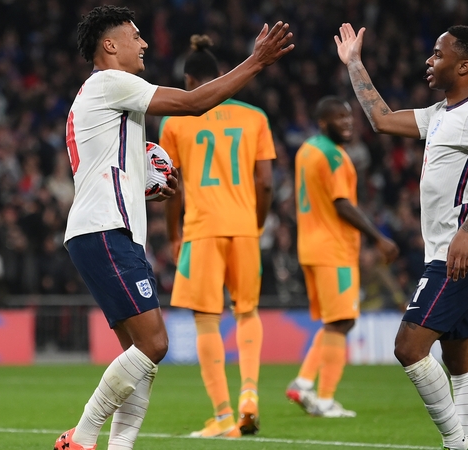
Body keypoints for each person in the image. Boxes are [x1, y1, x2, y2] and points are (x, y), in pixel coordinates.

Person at [54, 6, 293, 450]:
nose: (144, 43)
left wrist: (142, 183)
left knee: (141, 355)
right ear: (110, 45)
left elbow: (104, 164)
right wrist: (256, 61)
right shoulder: (111, 82)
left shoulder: (101, 95)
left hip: (103, 229)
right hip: (106, 231)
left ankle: (119, 446)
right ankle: (82, 437)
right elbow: (193, 102)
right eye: (135, 36)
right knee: (154, 345)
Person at [336, 24, 468, 450]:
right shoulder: (440, 114)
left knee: (409, 346)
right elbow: (379, 119)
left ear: (465, 65)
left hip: (460, 253)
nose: (429, 61)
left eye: (438, 54)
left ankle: (457, 442)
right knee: (461, 360)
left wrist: (467, 233)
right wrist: (355, 64)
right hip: (454, 251)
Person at [160, 34, 275, 438]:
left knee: (206, 321)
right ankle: (249, 395)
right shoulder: (255, 117)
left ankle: (224, 415)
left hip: (202, 230)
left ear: (190, 80)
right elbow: (266, 183)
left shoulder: (174, 120)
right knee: (247, 312)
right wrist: (256, 224)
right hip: (244, 228)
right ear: (221, 76)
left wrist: (174, 234)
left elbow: (170, 184)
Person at [284, 96, 398, 418]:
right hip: (333, 248)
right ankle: (323, 398)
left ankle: (304, 383)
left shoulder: (307, 150)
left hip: (310, 246)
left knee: (336, 322)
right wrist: (379, 238)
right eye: (339, 118)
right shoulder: (334, 156)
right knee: (343, 321)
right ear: (323, 122)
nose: (347, 123)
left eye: (349, 118)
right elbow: (341, 203)